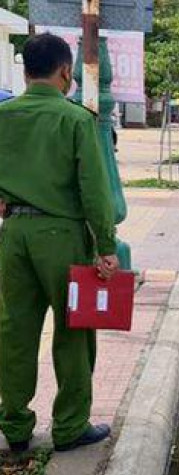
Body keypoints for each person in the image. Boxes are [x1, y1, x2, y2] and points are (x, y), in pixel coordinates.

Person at [0, 34, 119, 453]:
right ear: (66, 71)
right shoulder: (75, 119)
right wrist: (106, 245)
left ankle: (14, 426)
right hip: (62, 237)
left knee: (15, 330)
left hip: (13, 235)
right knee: (74, 330)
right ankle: (69, 427)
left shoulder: (3, 115)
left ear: (27, 70)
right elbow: (94, 191)